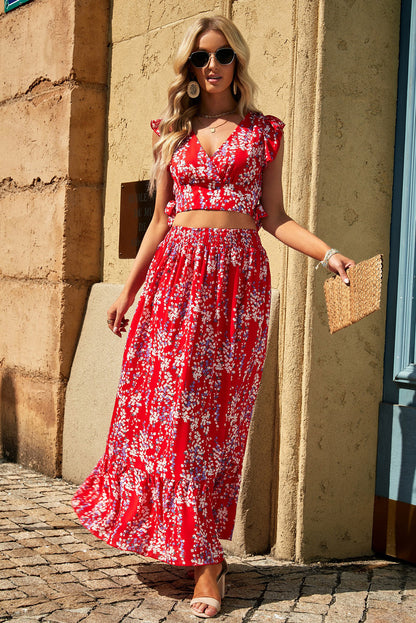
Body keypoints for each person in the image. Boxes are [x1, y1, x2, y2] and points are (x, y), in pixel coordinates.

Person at [71, 15, 354, 619]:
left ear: (237, 61)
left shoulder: (263, 132)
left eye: (223, 54)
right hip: (174, 285)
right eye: (201, 58)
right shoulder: (172, 134)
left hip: (236, 286)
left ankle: (208, 562)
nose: (213, 65)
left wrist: (328, 254)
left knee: (214, 423)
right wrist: (128, 290)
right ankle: (193, 548)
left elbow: (274, 217)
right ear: (190, 71)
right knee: (168, 418)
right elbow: (158, 220)